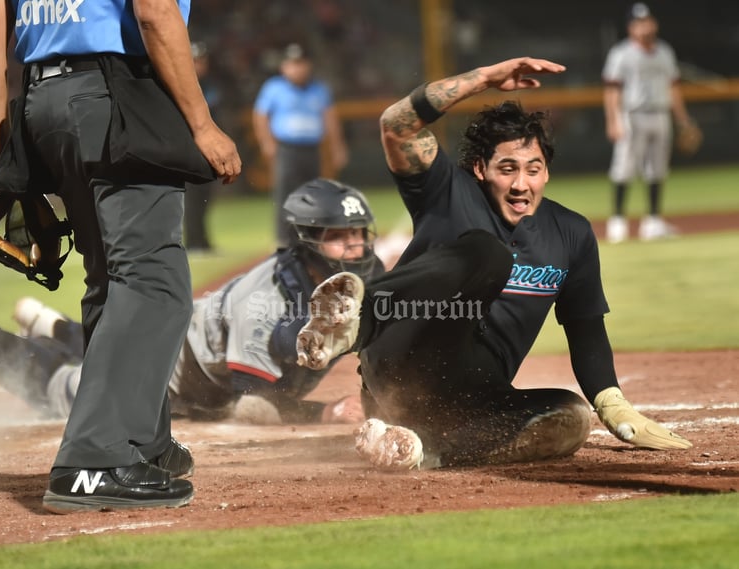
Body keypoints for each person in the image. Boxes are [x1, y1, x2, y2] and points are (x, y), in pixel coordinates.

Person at [295, 57, 693, 471]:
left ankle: (420, 449)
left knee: (570, 418)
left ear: (546, 174)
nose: (522, 184)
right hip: (401, 363)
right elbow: (397, 124)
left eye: (533, 170)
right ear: (480, 169)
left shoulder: (570, 234)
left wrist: (615, 407)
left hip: (470, 393)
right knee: (490, 255)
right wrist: (483, 79)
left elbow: (586, 328)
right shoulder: (449, 193)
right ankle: (353, 321)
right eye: (508, 169)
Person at [0, 0, 241, 513]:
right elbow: (155, 12)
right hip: (113, 93)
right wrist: (203, 125)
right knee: (152, 281)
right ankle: (92, 461)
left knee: (111, 280)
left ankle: (141, 440)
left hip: (41, 100)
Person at [0, 179, 383, 428]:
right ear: (308, 241)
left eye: (360, 235)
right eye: (340, 237)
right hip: (157, 370)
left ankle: (54, 327)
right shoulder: (263, 301)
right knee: (61, 393)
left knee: (94, 346)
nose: (356, 248)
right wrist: (321, 412)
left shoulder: (362, 275)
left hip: (176, 338)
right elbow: (251, 406)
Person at [602, 3, 695, 243]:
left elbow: (674, 88)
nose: (644, 26)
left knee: (658, 168)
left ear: (654, 23)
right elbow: (612, 90)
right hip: (632, 115)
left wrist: (683, 120)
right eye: (638, 22)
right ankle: (618, 222)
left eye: (647, 21)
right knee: (624, 167)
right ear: (631, 27)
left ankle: (653, 222)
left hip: (660, 114)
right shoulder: (621, 53)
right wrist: (613, 120)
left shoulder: (664, 51)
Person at [253, 42, 349, 247]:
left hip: (311, 149)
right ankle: (283, 239)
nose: (298, 68)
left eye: (301, 63)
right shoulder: (274, 88)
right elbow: (260, 116)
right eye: (293, 63)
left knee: (312, 194)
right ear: (284, 67)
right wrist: (266, 143)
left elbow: (330, 119)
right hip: (287, 149)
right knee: (285, 194)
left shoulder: (319, 89)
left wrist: (337, 147)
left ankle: (311, 236)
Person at [183, 41, 222, 253]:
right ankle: (193, 241)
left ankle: (203, 240)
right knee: (191, 198)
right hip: (187, 148)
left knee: (205, 196)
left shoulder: (211, 86)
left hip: (208, 150)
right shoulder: (180, 84)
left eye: (201, 61)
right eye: (195, 60)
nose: (199, 65)